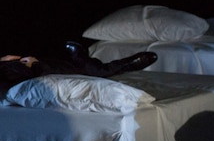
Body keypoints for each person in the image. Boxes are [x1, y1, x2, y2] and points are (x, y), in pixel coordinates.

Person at [1, 41, 158, 91]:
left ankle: (80, 59)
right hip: (33, 72)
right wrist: (33, 65)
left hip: (30, 67)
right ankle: (127, 65)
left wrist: (15, 59)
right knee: (93, 72)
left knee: (78, 68)